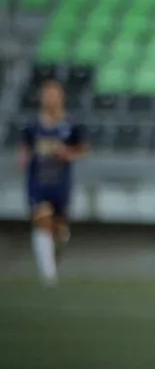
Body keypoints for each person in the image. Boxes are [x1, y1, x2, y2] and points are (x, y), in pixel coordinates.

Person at [18, 78, 89, 286]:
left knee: (59, 230)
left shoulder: (71, 125)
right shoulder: (32, 126)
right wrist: (23, 159)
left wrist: (68, 153)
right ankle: (48, 276)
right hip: (38, 182)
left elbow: (83, 149)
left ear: (61, 97)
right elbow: (24, 150)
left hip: (60, 184)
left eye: (53, 93)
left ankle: (55, 253)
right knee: (41, 219)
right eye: (46, 93)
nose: (49, 98)